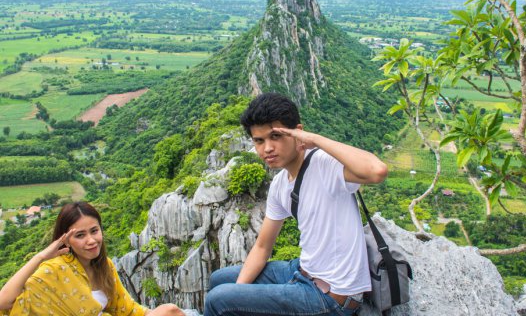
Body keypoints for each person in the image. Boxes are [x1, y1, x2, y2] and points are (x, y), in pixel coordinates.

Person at [204, 93, 388, 316]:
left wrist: (315, 139)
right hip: (303, 271)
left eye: (276, 136)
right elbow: (262, 247)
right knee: (220, 280)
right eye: (259, 141)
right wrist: (238, 293)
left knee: (217, 300)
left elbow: (377, 171)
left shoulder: (325, 165)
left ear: (297, 132)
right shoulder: (280, 184)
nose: (267, 148)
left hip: (331, 296)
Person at [0, 202, 185, 316]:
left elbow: (126, 308)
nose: (91, 241)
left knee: (170, 311)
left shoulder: (104, 266)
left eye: (94, 231)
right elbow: (4, 302)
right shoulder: (54, 269)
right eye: (80, 235)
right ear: (66, 240)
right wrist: (40, 257)